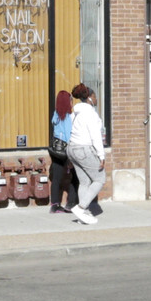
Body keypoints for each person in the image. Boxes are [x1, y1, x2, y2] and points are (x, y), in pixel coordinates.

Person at [65, 83, 107, 225]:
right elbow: (95, 135)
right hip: (84, 149)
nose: (96, 99)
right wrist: (101, 155)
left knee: (84, 182)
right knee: (100, 179)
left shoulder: (74, 113)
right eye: (94, 96)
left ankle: (83, 214)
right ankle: (81, 207)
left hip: (72, 148)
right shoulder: (90, 113)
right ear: (89, 98)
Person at [49, 89, 79, 215]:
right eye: (71, 101)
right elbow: (68, 136)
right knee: (75, 177)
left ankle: (55, 205)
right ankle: (71, 203)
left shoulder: (56, 114)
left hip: (55, 150)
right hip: (65, 151)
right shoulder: (67, 117)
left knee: (56, 178)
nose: (72, 103)